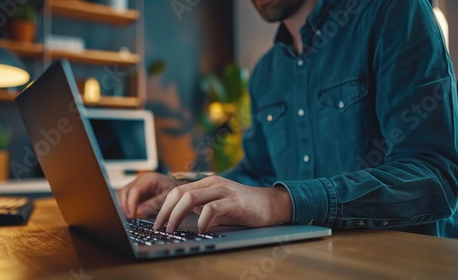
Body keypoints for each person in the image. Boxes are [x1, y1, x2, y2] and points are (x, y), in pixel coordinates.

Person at [118, 0, 458, 238]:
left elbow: (434, 177)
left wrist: (281, 202)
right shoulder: (267, 71)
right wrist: (186, 189)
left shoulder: (394, 12)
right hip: (308, 259)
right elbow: (258, 173)